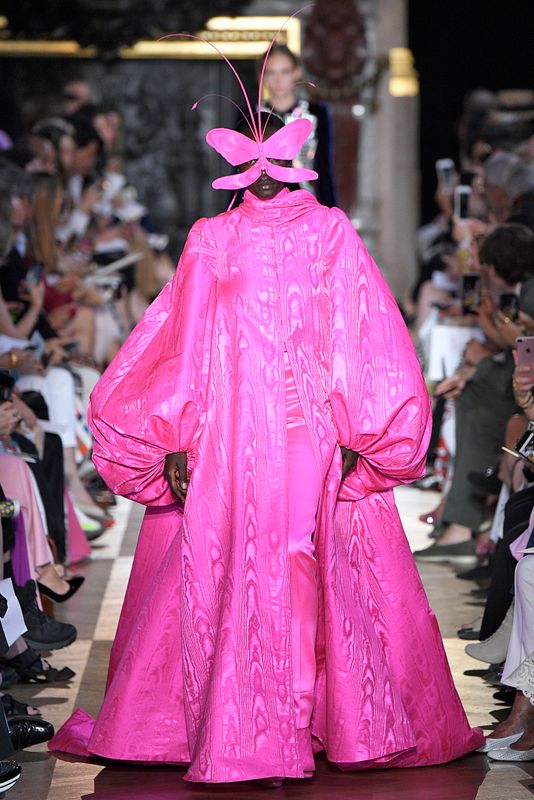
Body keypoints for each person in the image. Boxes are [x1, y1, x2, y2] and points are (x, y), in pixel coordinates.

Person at [50, 74, 481, 782]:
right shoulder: (227, 238)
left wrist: (357, 431)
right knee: (269, 565)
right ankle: (270, 731)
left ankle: (273, 730)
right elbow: (197, 340)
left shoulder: (305, 233)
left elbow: (352, 333)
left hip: (275, 434)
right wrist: (177, 437)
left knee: (265, 565)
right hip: (258, 435)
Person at [261, 43, 337, 206]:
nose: (278, 80)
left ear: (297, 72)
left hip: (306, 206)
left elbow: (324, 169)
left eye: (285, 72)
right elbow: (240, 173)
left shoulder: (315, 113)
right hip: (262, 207)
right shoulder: (252, 115)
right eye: (270, 72)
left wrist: (332, 213)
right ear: (262, 76)